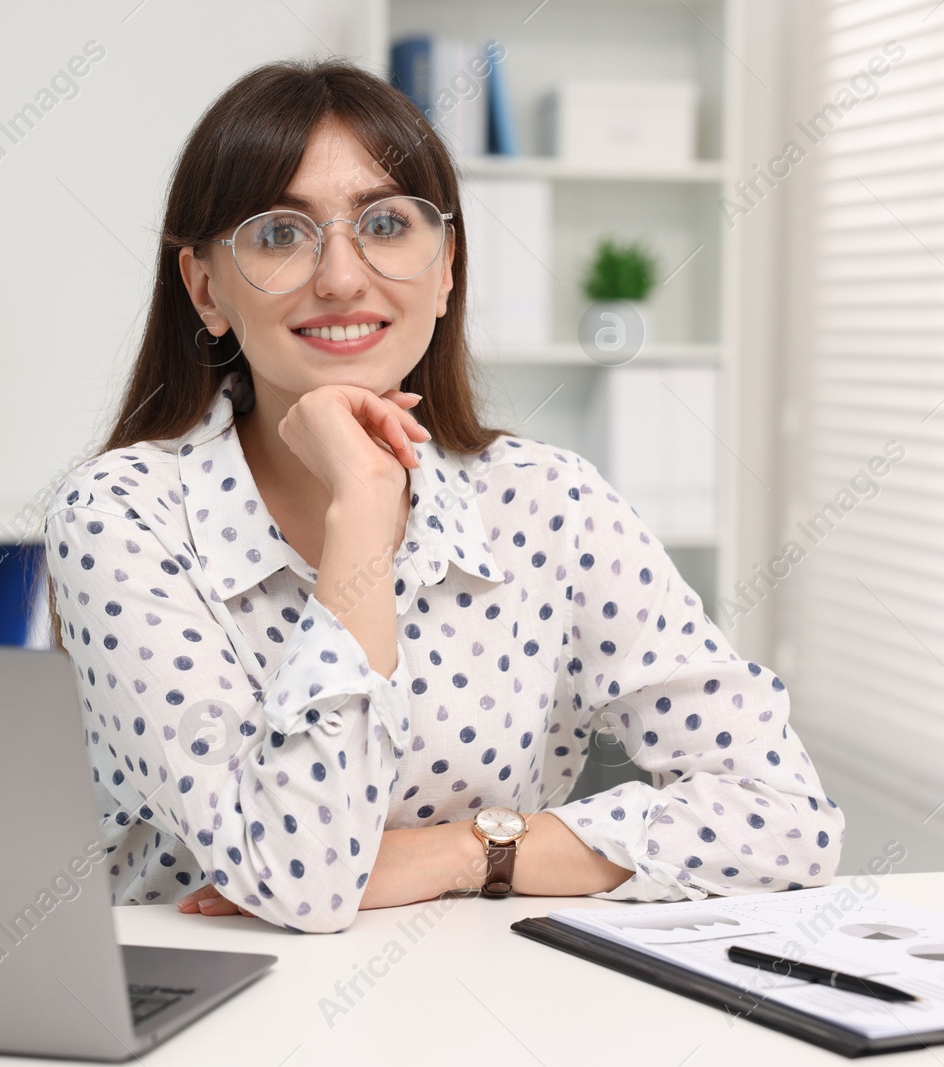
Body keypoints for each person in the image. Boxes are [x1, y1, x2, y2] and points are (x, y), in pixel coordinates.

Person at [43, 57, 843, 934]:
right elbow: (302, 880)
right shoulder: (120, 516)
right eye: (279, 234)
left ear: (446, 265)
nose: (342, 278)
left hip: (490, 1006)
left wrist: (468, 853)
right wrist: (362, 510)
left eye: (386, 224)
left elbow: (787, 818)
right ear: (206, 289)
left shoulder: (550, 502)